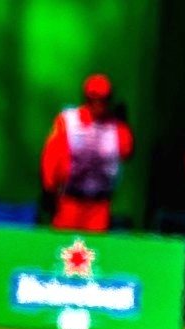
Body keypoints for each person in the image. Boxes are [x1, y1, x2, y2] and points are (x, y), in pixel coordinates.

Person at [40, 74, 134, 232]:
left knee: (95, 245)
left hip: (99, 204)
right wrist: (49, 186)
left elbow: (126, 151)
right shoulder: (69, 121)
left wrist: (124, 125)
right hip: (69, 200)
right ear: (87, 99)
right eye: (95, 99)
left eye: (104, 99)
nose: (99, 104)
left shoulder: (115, 127)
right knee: (64, 243)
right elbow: (51, 154)